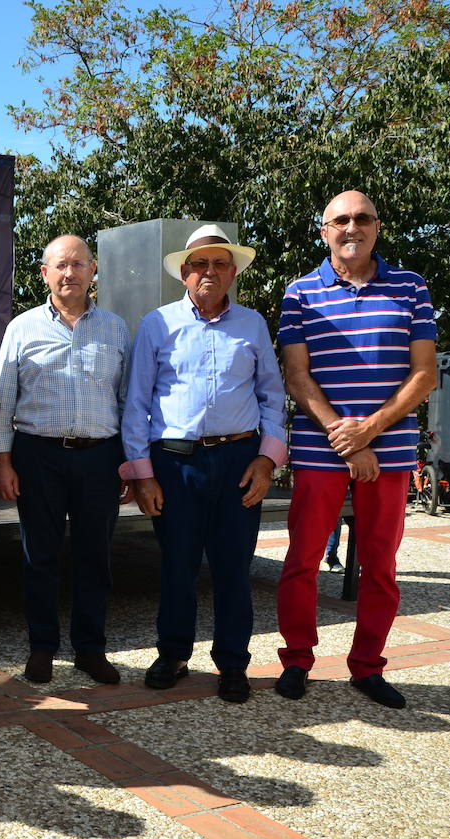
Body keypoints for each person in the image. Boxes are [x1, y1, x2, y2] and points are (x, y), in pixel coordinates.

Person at [275, 191, 437, 709]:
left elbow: (425, 374)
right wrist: (344, 437)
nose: (352, 227)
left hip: (388, 451)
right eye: (340, 219)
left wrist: (369, 430)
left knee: (380, 564)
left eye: (362, 218)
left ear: (377, 226)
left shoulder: (411, 287)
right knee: (302, 559)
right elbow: (296, 376)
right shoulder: (300, 293)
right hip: (320, 448)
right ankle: (297, 660)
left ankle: (367, 666)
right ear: (324, 231)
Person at [121, 224, 288, 704]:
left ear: (232, 273)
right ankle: (173, 654)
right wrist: (142, 474)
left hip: (239, 461)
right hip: (176, 464)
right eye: (199, 263)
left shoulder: (252, 324)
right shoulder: (157, 324)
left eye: (219, 263)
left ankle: (233, 663)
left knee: (234, 568)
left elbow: (272, 396)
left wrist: (267, 460)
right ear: (184, 273)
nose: (208, 271)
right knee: (178, 565)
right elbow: (136, 403)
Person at [0, 235, 131, 686]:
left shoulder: (116, 329)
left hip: (100, 457)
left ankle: (90, 649)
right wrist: (2, 460)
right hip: (38, 455)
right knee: (40, 556)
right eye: (60, 265)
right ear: (44, 274)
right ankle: (42, 647)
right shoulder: (22, 328)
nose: (69, 273)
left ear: (93, 271)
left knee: (96, 557)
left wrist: (131, 462)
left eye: (78, 264)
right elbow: (3, 399)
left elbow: (127, 399)